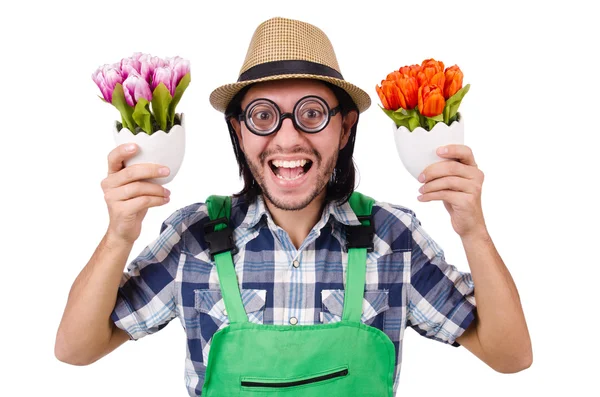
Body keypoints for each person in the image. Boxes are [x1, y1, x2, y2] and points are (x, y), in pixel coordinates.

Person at [55, 16, 532, 396]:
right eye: (263, 116)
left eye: (311, 113)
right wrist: (120, 233)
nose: (287, 138)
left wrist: (475, 231)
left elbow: (509, 357)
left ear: (344, 129)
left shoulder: (392, 238)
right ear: (239, 133)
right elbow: (77, 349)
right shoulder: (193, 239)